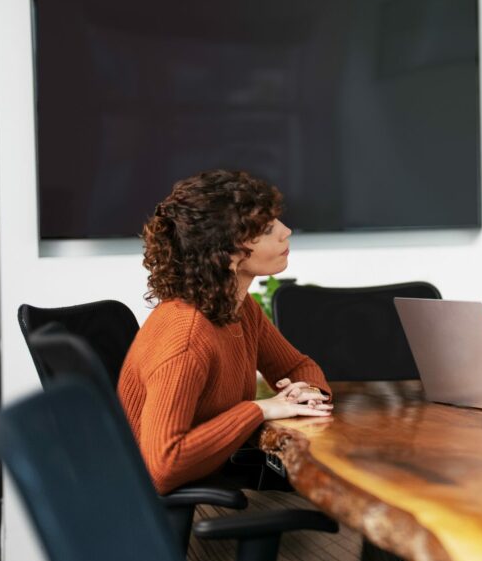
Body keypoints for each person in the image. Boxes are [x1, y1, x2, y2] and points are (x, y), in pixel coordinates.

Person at [119, 169, 334, 495]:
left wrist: (310, 393)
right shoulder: (187, 338)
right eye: (266, 229)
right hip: (164, 515)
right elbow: (163, 466)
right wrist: (260, 409)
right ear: (228, 254)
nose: (286, 231)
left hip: (213, 481)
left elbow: (295, 367)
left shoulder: (236, 308)